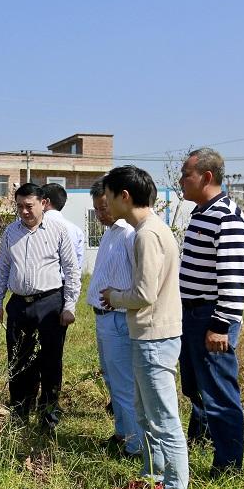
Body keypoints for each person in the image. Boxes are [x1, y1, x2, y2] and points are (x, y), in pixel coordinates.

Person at [100, 166, 187, 489]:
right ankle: (153, 477)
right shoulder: (149, 230)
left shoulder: (146, 235)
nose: (103, 202)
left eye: (107, 195)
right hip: (149, 334)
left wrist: (114, 296)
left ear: (124, 196)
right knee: (145, 415)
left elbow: (144, 293)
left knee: (164, 419)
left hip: (155, 335)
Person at [177, 148, 244, 476]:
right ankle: (202, 440)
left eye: (186, 174)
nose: (180, 180)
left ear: (206, 177)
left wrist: (220, 325)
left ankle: (228, 465)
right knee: (195, 387)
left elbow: (233, 277)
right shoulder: (201, 212)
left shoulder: (226, 216)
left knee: (219, 393)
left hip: (211, 317)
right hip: (192, 315)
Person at [0, 183, 81, 433]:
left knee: (50, 361)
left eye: (29, 206)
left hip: (50, 303)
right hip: (19, 305)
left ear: (43, 203)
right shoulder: (11, 232)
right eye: (19, 206)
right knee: (19, 360)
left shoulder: (58, 230)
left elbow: (72, 270)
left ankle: (48, 415)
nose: (24, 211)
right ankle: (20, 411)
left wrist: (70, 305)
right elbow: (2, 269)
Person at [86, 178, 142, 458]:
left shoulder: (130, 233)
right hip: (105, 317)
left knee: (124, 385)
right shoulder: (109, 233)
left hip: (120, 317)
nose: (100, 214)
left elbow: (141, 281)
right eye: (96, 209)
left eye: (104, 207)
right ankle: (122, 433)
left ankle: (134, 446)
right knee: (112, 380)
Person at [41, 182, 85, 273]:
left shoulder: (35, 227)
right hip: (68, 282)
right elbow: (78, 264)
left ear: (46, 202)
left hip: (42, 283)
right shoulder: (76, 230)